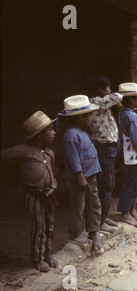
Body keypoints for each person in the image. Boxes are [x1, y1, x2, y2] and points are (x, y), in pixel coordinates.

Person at [1, 111, 58, 272]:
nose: (54, 133)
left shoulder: (50, 152)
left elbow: (51, 172)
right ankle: (37, 258)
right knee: (39, 226)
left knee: (50, 226)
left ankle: (48, 253)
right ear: (39, 135)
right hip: (35, 196)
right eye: (50, 130)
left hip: (49, 195)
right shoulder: (23, 150)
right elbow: (4, 155)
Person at [59, 95, 102, 251]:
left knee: (94, 203)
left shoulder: (82, 131)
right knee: (78, 206)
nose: (91, 118)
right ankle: (75, 233)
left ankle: (94, 230)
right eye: (89, 115)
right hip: (81, 178)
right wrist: (79, 175)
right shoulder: (71, 135)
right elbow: (73, 158)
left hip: (90, 175)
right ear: (81, 118)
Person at [86, 73, 123, 233]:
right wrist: (124, 94)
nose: (109, 90)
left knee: (107, 182)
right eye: (107, 87)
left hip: (107, 147)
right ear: (100, 90)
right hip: (102, 147)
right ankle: (100, 221)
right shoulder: (95, 103)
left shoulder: (101, 104)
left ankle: (103, 215)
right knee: (105, 184)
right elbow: (116, 97)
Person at [116, 82, 137, 228]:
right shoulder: (131, 116)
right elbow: (135, 138)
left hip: (125, 154)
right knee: (129, 183)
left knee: (132, 181)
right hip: (132, 155)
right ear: (131, 100)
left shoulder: (121, 113)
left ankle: (132, 209)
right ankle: (125, 213)